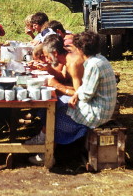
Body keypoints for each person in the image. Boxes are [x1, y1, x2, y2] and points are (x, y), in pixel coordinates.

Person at [27, 32, 117, 165]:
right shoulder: (99, 59)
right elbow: (86, 89)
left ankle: (46, 153)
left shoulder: (92, 65)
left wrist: (60, 87)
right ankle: (42, 140)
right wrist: (72, 93)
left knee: (56, 115)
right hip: (98, 105)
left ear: (80, 49)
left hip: (98, 112)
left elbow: (86, 95)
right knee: (57, 105)